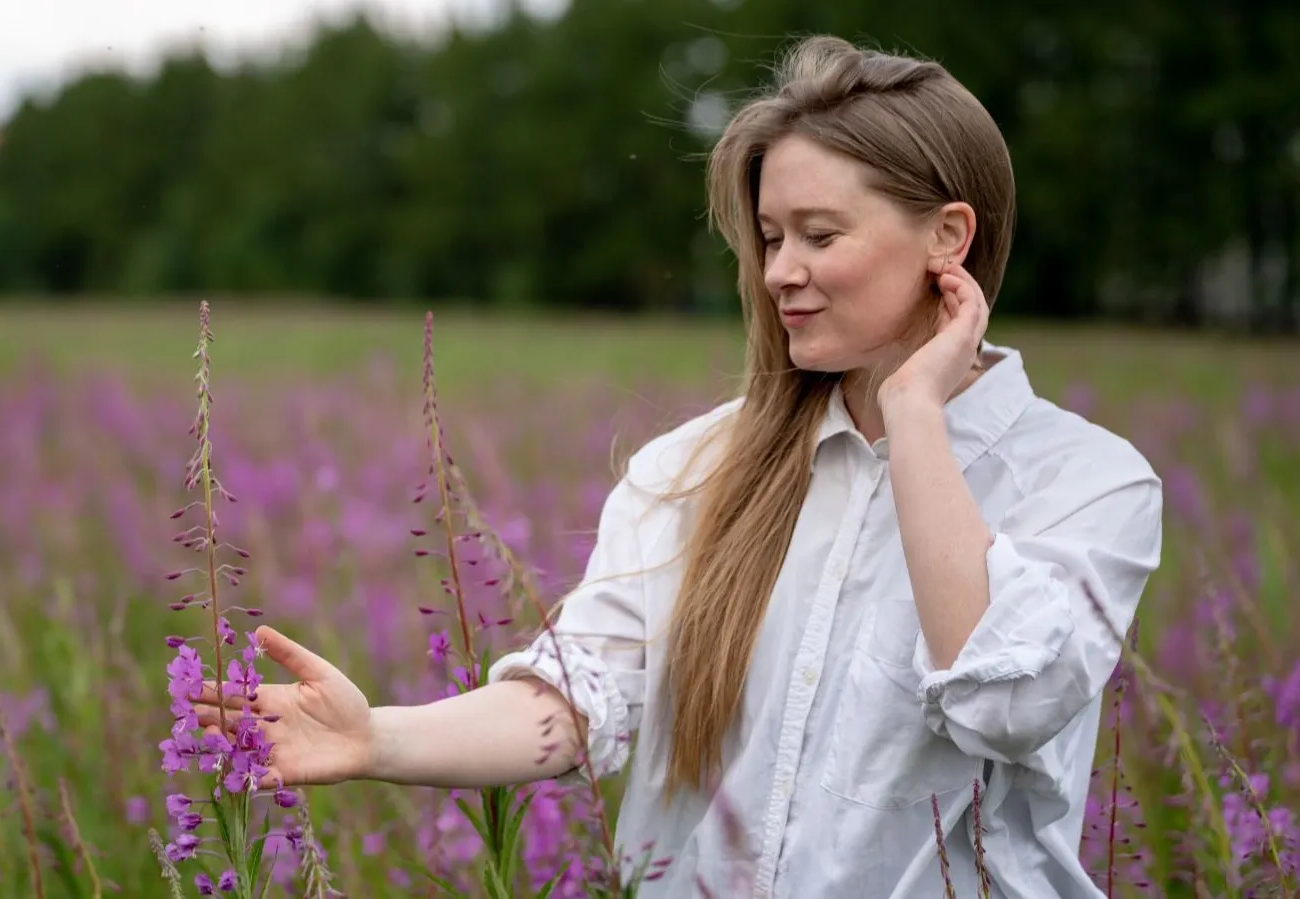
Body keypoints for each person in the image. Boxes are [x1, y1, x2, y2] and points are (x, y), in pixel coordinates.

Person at [193, 34, 1163, 898]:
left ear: (947, 237)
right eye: (771, 236)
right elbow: (578, 704)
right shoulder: (696, 468)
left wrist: (913, 414)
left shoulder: (1085, 483)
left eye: (820, 235)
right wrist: (378, 739)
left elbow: (1001, 701)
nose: (780, 268)